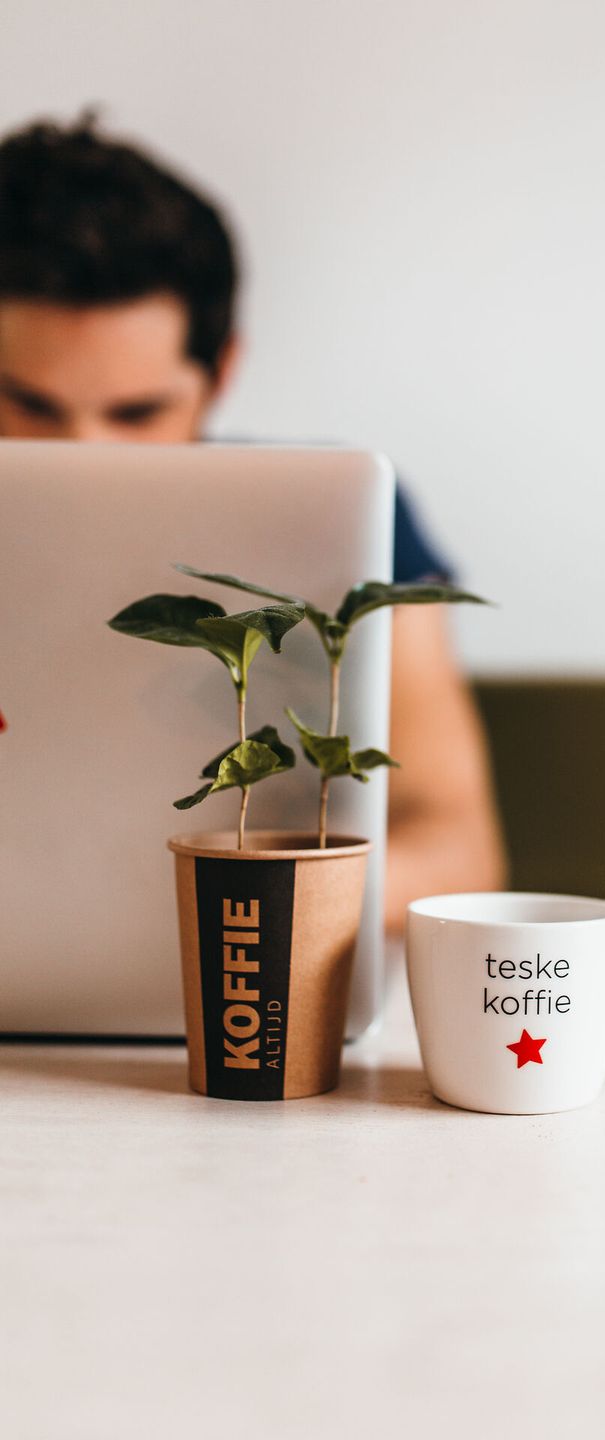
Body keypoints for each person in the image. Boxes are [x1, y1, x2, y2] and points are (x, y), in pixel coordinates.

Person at [0, 114, 506, 930]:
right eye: (29, 404)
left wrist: (243, 901)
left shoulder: (338, 516)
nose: (83, 453)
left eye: (136, 411)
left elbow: (455, 846)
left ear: (222, 369)